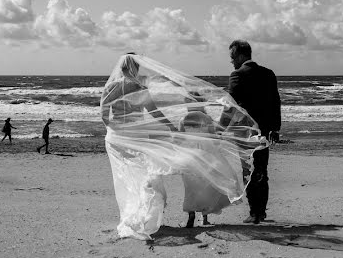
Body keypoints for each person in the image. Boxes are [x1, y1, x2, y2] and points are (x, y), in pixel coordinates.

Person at [101, 53, 265, 240]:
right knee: (145, 175)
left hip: (121, 137)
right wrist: (171, 128)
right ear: (135, 68)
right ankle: (143, 216)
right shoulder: (139, 86)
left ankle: (135, 216)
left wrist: (112, 127)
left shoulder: (113, 87)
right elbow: (154, 112)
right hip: (138, 137)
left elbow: (104, 110)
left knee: (129, 176)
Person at [226, 39, 281, 224]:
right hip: (264, 131)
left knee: (248, 170)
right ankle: (261, 212)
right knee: (261, 170)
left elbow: (230, 106)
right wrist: (275, 128)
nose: (232, 61)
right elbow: (275, 103)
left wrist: (221, 127)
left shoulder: (237, 76)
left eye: (233, 57)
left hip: (245, 132)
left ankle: (253, 212)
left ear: (241, 55)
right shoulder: (268, 74)